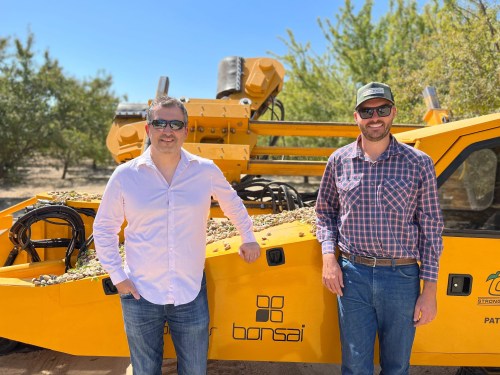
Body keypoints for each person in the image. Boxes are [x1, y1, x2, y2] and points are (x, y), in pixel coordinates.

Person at [93, 96, 261, 375]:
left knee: (195, 371)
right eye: (159, 123)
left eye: (175, 124)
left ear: (186, 130)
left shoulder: (205, 170)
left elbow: (232, 202)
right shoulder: (125, 175)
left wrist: (248, 235)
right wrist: (118, 277)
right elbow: (104, 228)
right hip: (139, 293)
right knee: (145, 371)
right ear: (148, 130)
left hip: (190, 292)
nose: (167, 130)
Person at [315, 82, 444, 375]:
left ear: (393, 112)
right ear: (356, 116)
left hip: (401, 278)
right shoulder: (339, 161)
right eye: (367, 111)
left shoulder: (419, 164)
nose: (375, 117)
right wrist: (328, 258)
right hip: (353, 276)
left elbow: (431, 228)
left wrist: (430, 290)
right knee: (354, 366)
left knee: (397, 367)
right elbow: (324, 213)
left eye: (382, 109)